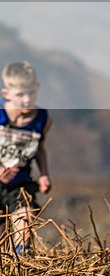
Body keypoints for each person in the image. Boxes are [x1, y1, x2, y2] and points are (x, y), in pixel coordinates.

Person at [0, 61, 52, 255]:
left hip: (20, 181)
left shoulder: (42, 119)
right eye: (20, 94)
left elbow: (40, 149)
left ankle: (23, 257)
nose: (27, 99)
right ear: (7, 94)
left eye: (31, 93)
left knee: (26, 216)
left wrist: (45, 174)